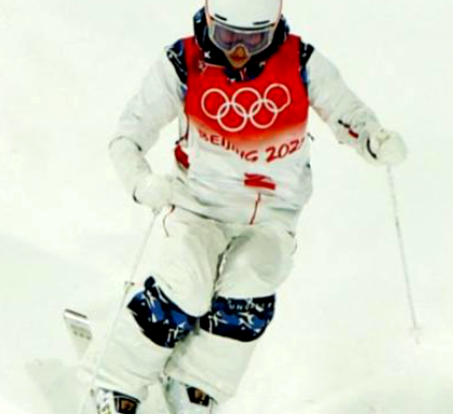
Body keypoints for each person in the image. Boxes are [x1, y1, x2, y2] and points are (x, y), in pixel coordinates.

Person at [93, 0, 407, 412]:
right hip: (198, 207)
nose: (239, 52)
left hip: (273, 215)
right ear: (209, 22)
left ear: (274, 29)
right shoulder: (183, 62)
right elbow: (126, 136)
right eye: (227, 38)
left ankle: (196, 385)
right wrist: (142, 184)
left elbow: (345, 112)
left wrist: (373, 139)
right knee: (186, 283)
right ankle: (116, 382)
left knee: (253, 281)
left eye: (254, 40)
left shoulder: (300, 61)